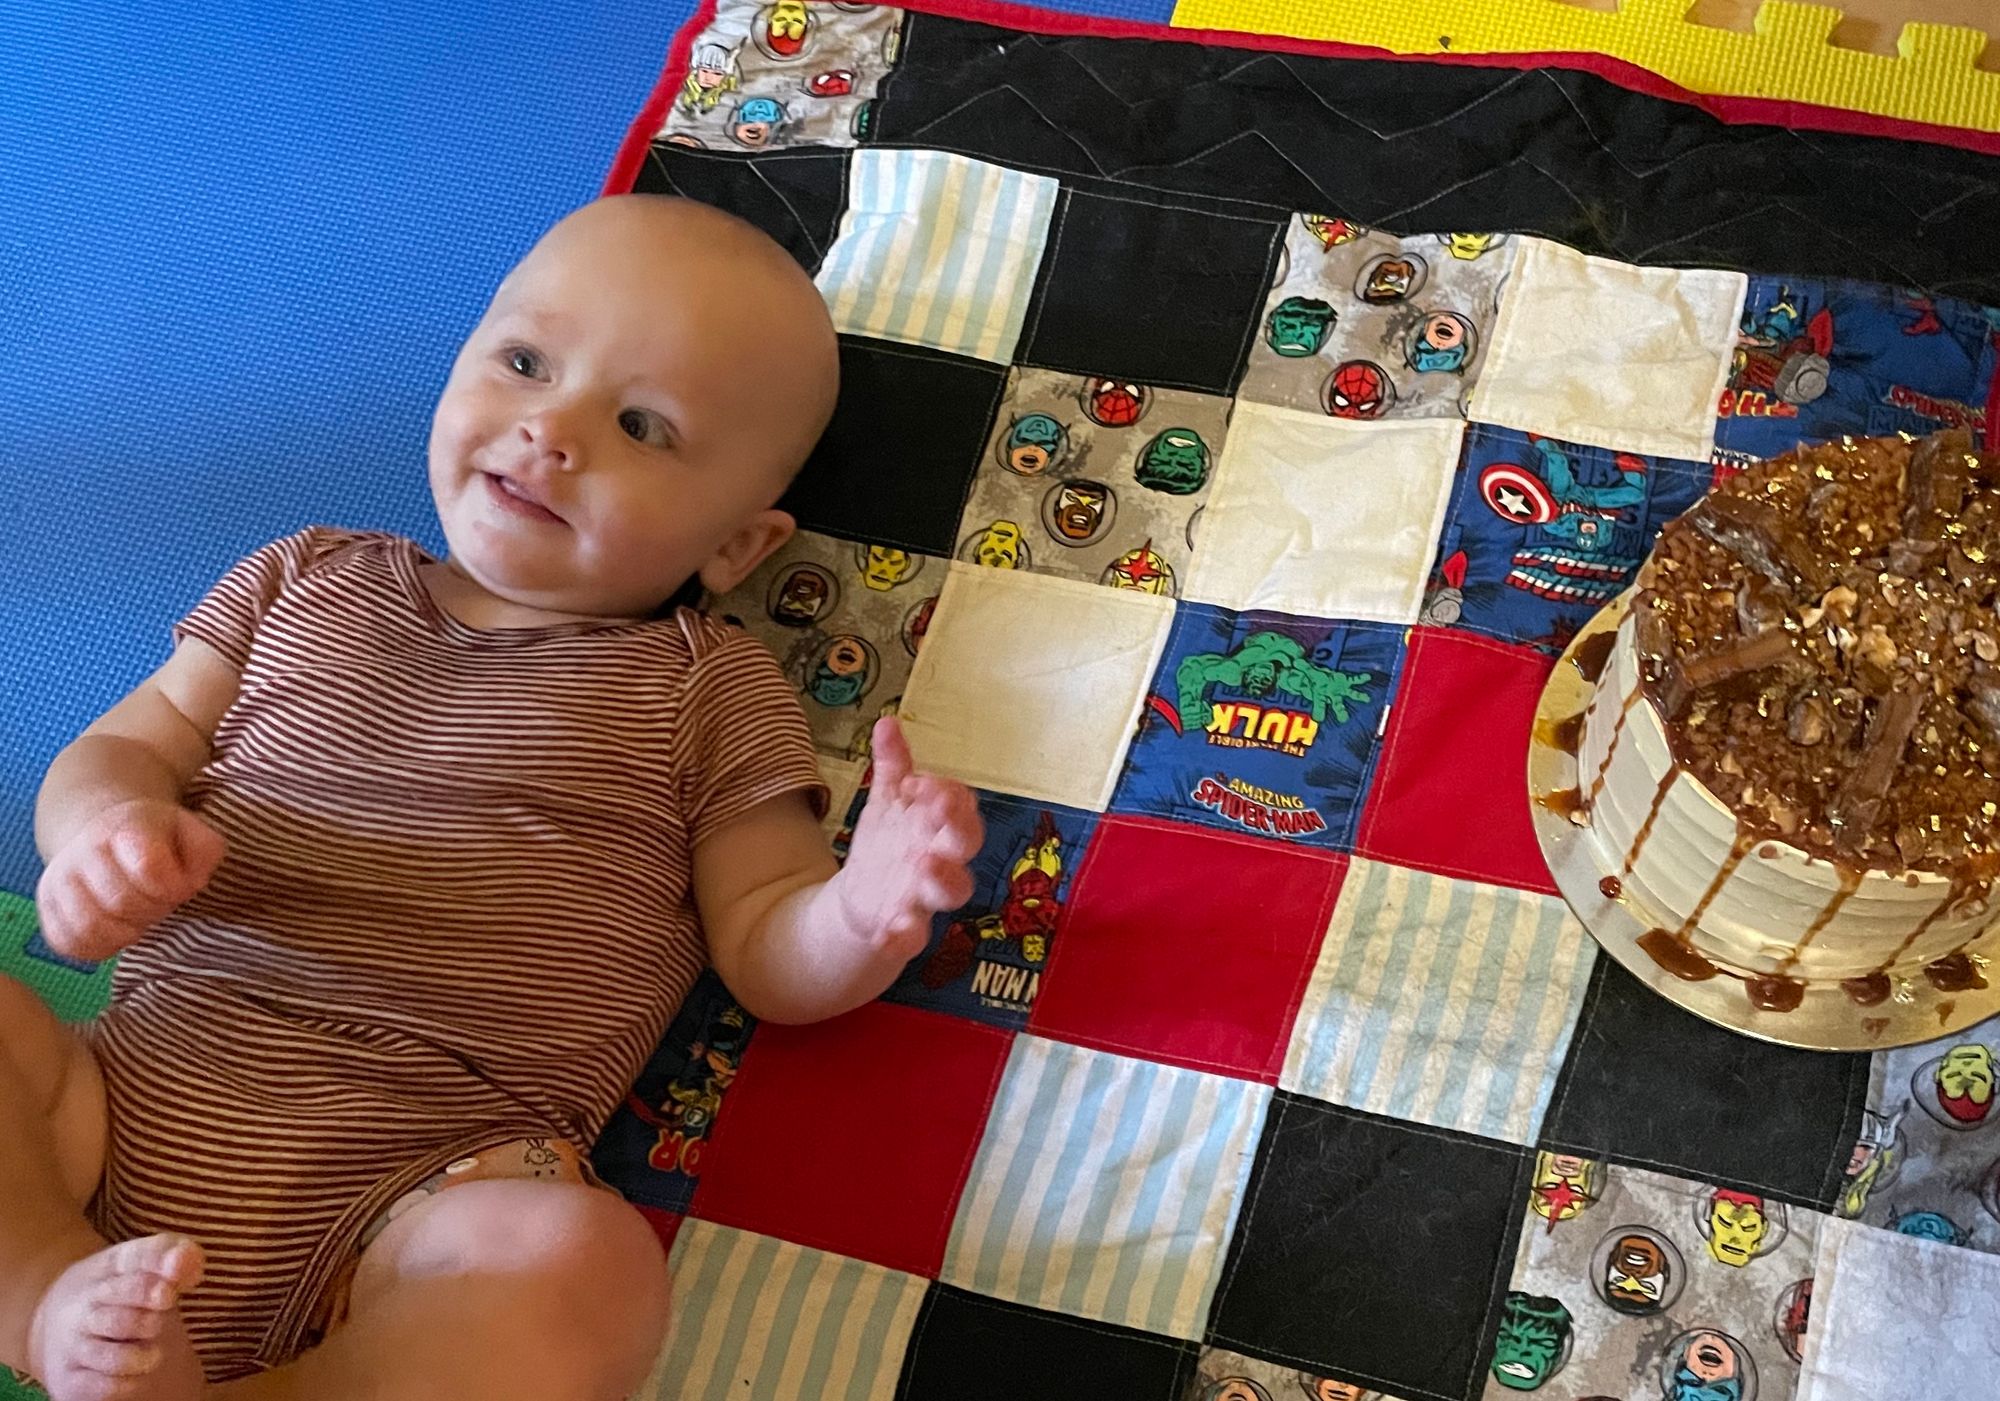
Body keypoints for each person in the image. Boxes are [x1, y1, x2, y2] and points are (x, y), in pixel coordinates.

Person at [1, 195, 983, 1401]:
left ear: (734, 548)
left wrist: (865, 909)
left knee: (583, 1265)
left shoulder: (704, 685)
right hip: (119, 1096)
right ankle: (44, 1296)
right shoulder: (306, 574)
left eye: (641, 425)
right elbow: (120, 747)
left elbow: (768, 945)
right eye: (523, 362)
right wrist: (101, 831)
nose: (551, 430)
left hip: (429, 1193)